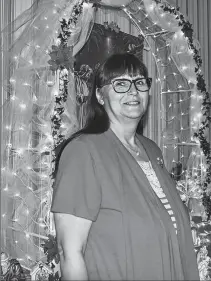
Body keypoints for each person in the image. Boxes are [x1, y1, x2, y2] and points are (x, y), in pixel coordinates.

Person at [51, 53, 199, 281]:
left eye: (140, 82)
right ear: (100, 95)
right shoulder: (83, 152)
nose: (133, 91)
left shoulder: (151, 150)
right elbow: (70, 252)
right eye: (120, 83)